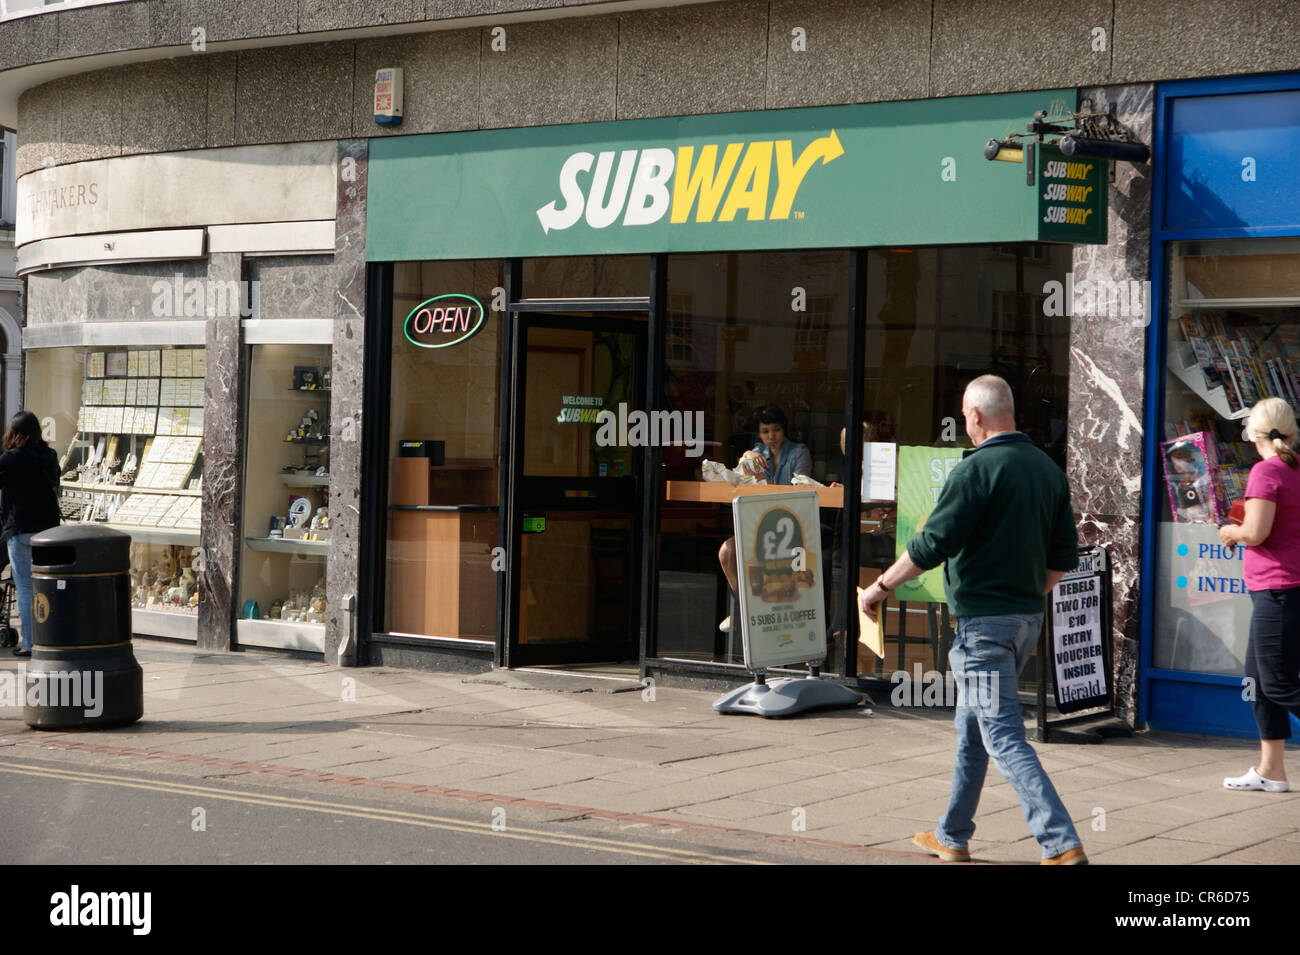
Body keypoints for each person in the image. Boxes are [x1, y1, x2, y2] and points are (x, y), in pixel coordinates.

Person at [858, 375, 1086, 864]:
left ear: (976, 416)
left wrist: (879, 588)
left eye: (964, 415)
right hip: (1024, 621)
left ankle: (1060, 844)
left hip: (983, 627)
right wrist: (1024, 596)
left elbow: (930, 546)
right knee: (972, 730)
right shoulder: (1047, 469)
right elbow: (1063, 556)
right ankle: (952, 834)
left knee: (1002, 735)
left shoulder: (975, 471)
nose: (965, 423)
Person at [1217, 397, 1300, 793]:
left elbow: (1255, 533)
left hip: (1277, 590)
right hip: (1283, 589)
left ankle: (1272, 768)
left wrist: (1231, 532)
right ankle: (1272, 770)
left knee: (1279, 683)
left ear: (1253, 431)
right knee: (1258, 680)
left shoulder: (1266, 472)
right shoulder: (1294, 469)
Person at [717, 404, 811, 632]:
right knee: (727, 551)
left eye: (776, 429)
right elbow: (740, 481)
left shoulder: (799, 452)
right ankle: (744, 609)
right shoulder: (757, 452)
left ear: (784, 430)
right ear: (759, 434)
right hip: (762, 527)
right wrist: (745, 457)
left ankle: (745, 613)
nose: (771, 436)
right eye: (765, 431)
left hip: (792, 527)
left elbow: (802, 490)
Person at [0, 412, 61, 657]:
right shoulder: (50, 455)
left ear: (14, 432)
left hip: (21, 529)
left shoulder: (11, 458)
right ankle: (52, 638)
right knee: (47, 585)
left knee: (25, 587)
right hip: (49, 532)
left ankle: (31, 643)